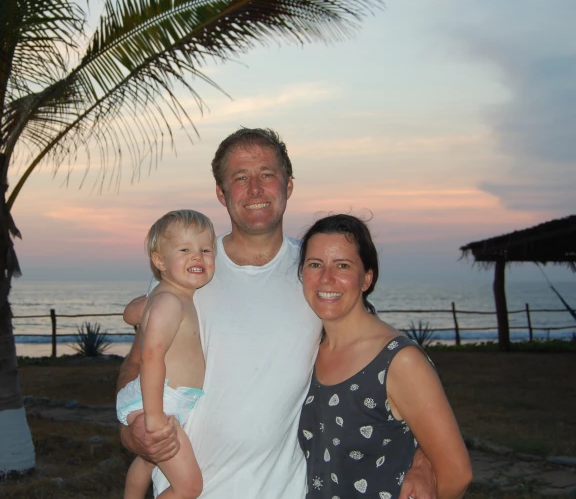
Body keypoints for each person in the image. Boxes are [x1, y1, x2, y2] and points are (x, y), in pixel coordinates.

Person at [118, 128, 437, 499]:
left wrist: (425, 459)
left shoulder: (317, 276)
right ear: (221, 194)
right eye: (240, 178)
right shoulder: (188, 272)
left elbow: (384, 363)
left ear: (288, 185)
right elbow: (136, 366)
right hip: (187, 487)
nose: (255, 189)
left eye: (267, 175)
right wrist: (134, 433)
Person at [296, 214, 472, 498]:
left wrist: (426, 465)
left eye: (342, 265)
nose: (326, 278)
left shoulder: (399, 361)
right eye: (315, 264)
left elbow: (456, 472)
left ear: (366, 278)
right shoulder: (307, 350)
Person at [117, 210, 216, 499]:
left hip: (162, 399)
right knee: (189, 487)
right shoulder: (170, 302)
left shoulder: (167, 295)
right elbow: (151, 358)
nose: (197, 256)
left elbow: (129, 314)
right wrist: (155, 417)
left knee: (148, 461)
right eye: (184, 249)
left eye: (205, 249)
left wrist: (143, 306)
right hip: (160, 401)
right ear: (160, 261)